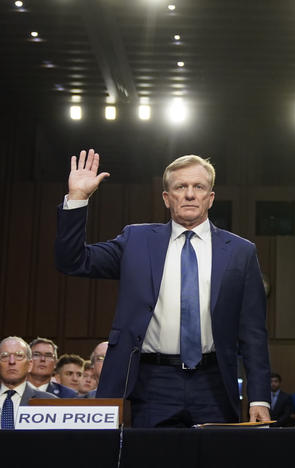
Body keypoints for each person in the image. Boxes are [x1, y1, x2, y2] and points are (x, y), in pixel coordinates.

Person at [54, 149, 271, 427]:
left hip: (214, 382)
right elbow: (73, 261)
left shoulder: (241, 251)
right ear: (167, 198)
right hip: (153, 382)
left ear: (210, 197)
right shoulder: (136, 240)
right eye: (181, 187)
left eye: (199, 187)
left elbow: (253, 332)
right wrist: (78, 198)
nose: (190, 194)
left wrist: (259, 398)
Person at [1, 336, 56, 429]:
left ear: (30, 365)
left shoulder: (50, 402)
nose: (12, 361)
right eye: (4, 356)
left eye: (19, 356)